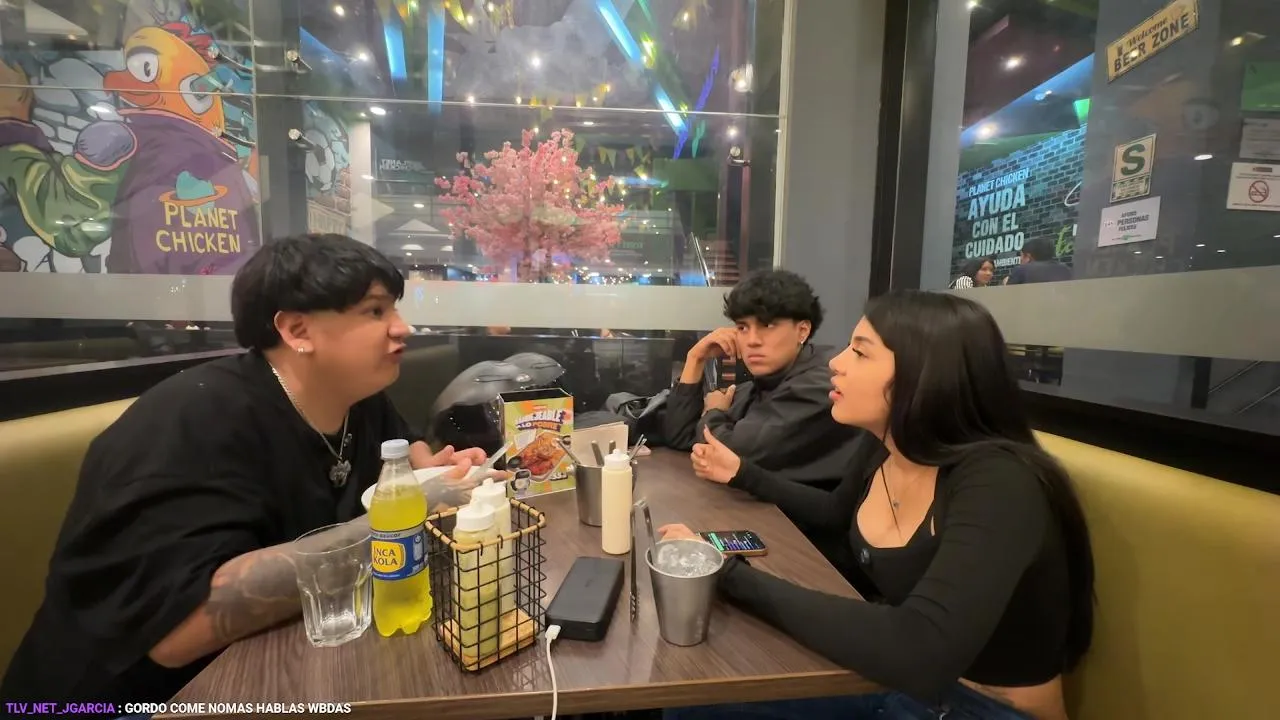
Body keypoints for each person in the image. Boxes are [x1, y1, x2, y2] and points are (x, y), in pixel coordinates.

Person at [1, 234, 487, 708]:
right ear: (297, 331)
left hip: (292, 666)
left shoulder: (356, 398)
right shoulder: (194, 420)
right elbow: (176, 634)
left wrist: (433, 471)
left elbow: (404, 447)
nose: (402, 328)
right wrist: (405, 518)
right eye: (375, 312)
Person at [665, 290, 1095, 720]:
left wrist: (727, 574)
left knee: (696, 703)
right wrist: (743, 475)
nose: (836, 363)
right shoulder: (886, 447)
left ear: (925, 374)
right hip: (903, 683)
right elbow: (834, 513)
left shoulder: (999, 482)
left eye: (860, 352)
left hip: (982, 706)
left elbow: (920, 647)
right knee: (685, 699)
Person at [664, 270, 862, 488]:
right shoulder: (766, 380)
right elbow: (680, 437)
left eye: (767, 325)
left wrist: (714, 411)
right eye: (742, 327)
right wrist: (695, 359)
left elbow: (728, 454)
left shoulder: (819, 384)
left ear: (802, 331)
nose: (752, 341)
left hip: (796, 510)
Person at [1005, 237, 1071, 285]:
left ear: (1028, 256)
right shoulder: (1066, 270)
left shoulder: (1022, 270)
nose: (1020, 259)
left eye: (1021, 255)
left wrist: (1005, 283)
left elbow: (1009, 294)